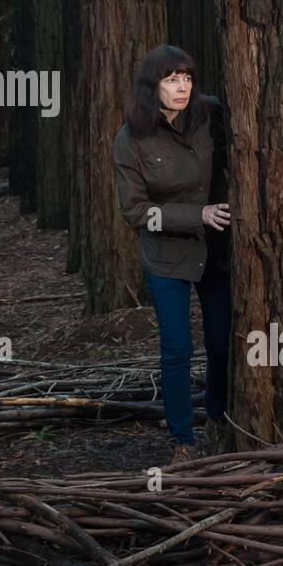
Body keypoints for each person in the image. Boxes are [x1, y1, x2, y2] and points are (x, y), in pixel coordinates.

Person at [113, 44, 232, 465]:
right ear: (152, 86)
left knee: (222, 343)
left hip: (216, 250)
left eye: (187, 78)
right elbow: (135, 212)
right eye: (171, 79)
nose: (182, 87)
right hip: (166, 256)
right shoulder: (131, 139)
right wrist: (194, 214)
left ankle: (219, 417)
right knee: (177, 348)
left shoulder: (211, 112)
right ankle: (182, 440)